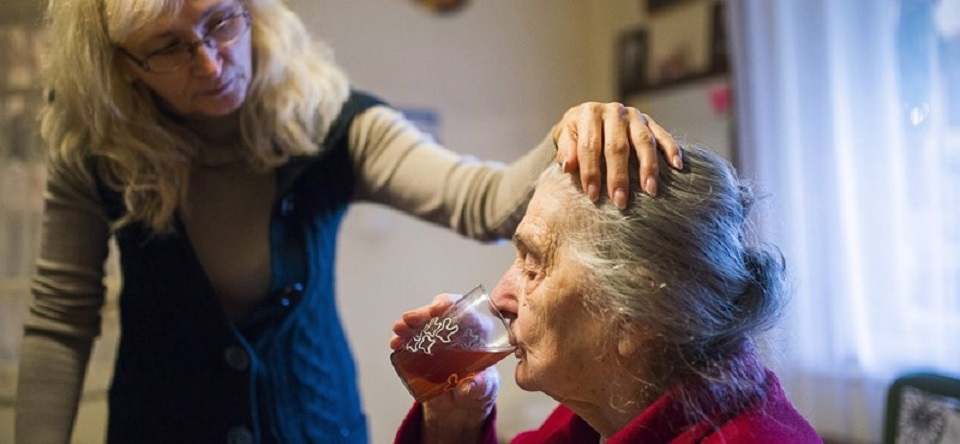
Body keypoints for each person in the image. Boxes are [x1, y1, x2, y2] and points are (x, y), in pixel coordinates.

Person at [14, 0, 683, 442]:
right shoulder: (94, 148)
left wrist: (575, 124)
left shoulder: (332, 122)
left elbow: (484, 202)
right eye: (166, 47)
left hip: (317, 427)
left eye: (220, 21)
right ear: (122, 66)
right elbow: (59, 320)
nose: (209, 62)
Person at [391, 143, 823, 443]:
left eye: (533, 264)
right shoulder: (604, 412)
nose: (502, 296)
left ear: (638, 314)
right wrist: (457, 425)